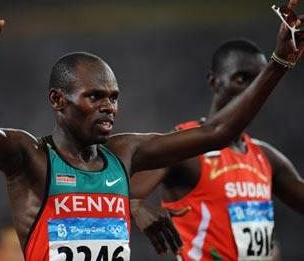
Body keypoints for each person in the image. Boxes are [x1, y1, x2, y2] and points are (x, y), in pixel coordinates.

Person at [0, 0, 303, 261]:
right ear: (57, 100)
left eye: (113, 98)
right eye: (94, 96)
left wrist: (280, 62)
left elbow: (217, 133)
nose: (109, 107)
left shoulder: (125, 152)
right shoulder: (30, 157)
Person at [130, 38, 304, 261]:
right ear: (214, 82)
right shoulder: (183, 150)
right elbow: (118, 197)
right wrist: (135, 205)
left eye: (261, 80)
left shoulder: (266, 157)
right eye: (242, 78)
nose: (254, 89)